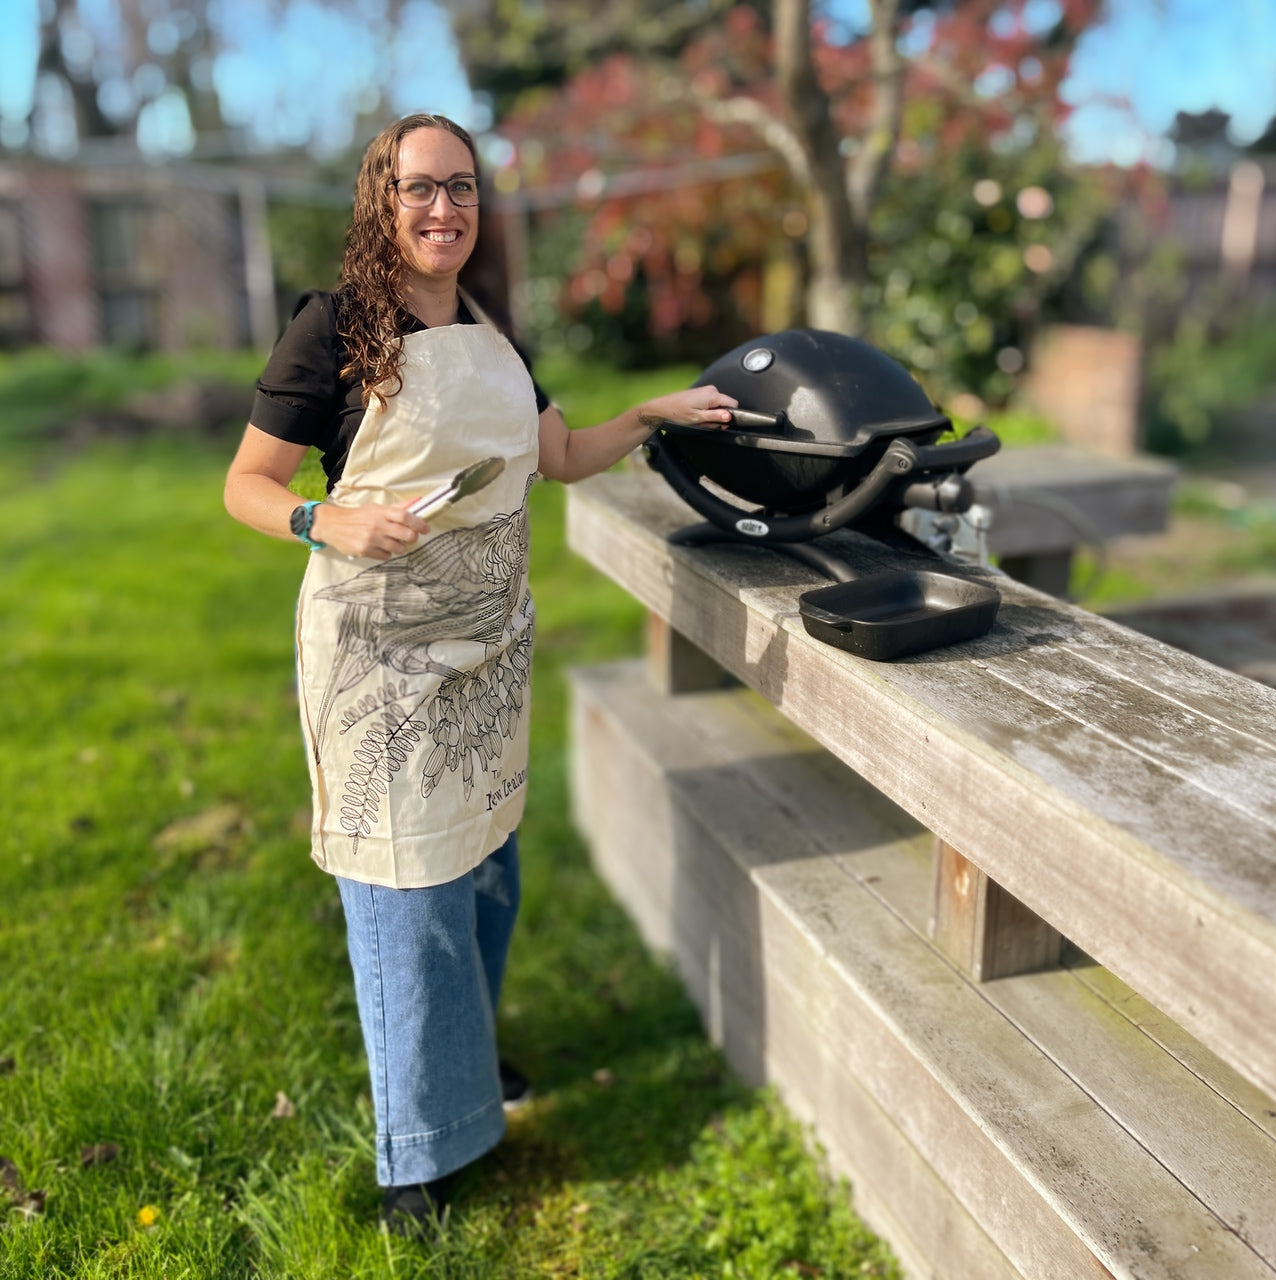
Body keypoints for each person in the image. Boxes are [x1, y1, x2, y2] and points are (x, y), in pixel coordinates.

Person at [223, 112, 737, 1235]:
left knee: (483, 876)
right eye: (418, 188)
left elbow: (554, 456)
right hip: (382, 661)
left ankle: (459, 1064)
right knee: (406, 893)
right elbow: (245, 484)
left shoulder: (493, 330)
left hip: (487, 652)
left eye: (459, 188)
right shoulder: (332, 329)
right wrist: (325, 518)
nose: (442, 208)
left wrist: (649, 416)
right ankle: (417, 1151)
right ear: (381, 198)